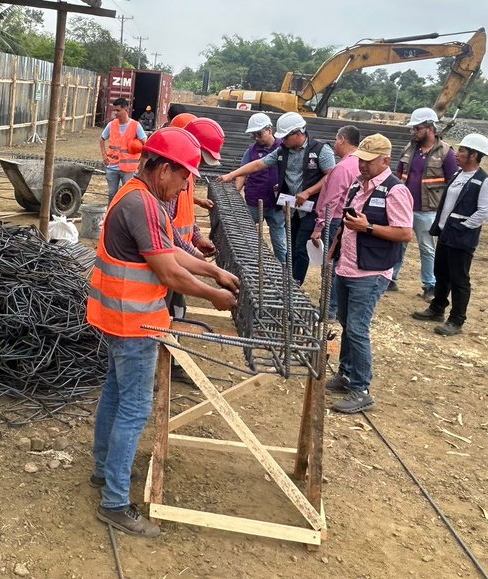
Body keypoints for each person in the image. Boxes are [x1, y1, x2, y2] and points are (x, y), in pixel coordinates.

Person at [87, 127, 240, 538]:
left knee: (115, 396)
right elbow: (169, 270)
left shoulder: (141, 196)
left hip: (117, 319)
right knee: (134, 409)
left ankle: (104, 472)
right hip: (133, 323)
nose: (187, 185)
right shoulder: (142, 203)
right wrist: (214, 296)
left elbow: (171, 248)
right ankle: (115, 503)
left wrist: (214, 269)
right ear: (164, 169)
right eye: (185, 176)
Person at [323, 134, 412, 413]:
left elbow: (404, 233)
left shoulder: (395, 191)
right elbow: (345, 222)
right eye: (361, 160)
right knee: (347, 323)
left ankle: (361, 389)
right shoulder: (357, 186)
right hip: (347, 266)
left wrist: (369, 228)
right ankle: (347, 374)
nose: (362, 165)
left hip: (371, 271)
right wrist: (332, 251)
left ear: (385, 160)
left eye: (368, 162)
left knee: (358, 328)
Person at [217, 112, 335, 284]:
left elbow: (332, 176)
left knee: (301, 247)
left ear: (298, 133)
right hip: (293, 207)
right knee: (293, 244)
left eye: (286, 137)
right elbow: (259, 164)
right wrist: (231, 175)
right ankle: (288, 278)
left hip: (313, 208)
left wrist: (308, 192)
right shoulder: (283, 150)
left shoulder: (320, 151)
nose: (283, 140)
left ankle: (295, 283)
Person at [412, 134, 488, 336]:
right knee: (442, 273)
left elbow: (485, 212)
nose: (457, 154)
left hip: (461, 238)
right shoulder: (458, 175)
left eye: (462, 152)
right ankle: (437, 308)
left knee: (459, 279)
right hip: (446, 233)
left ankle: (457, 320)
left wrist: (463, 226)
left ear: (474, 155)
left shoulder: (484, 182)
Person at [391, 107, 458, 298]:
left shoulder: (446, 153)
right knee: (398, 244)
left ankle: (430, 286)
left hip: (428, 209)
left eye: (417, 128)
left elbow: (453, 183)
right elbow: (399, 176)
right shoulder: (409, 149)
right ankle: (391, 278)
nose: (414, 132)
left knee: (427, 248)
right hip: (404, 207)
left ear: (430, 128)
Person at [309, 125, 361, 320]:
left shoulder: (342, 167)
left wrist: (319, 225)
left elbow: (331, 201)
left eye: (336, 140)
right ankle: (336, 306)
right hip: (348, 220)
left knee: (330, 264)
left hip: (335, 220)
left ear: (341, 140)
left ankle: (329, 309)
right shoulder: (360, 164)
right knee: (341, 263)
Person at [234, 113, 287, 264]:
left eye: (259, 134)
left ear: (270, 130)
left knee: (279, 241)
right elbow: (242, 174)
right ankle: (246, 263)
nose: (256, 138)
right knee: (246, 234)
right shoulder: (251, 151)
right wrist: (236, 192)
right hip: (254, 202)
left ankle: (283, 270)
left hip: (277, 204)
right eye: (254, 135)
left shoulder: (283, 149)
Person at [99, 98, 147, 202]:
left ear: (126, 109)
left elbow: (145, 144)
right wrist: (104, 156)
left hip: (129, 168)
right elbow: (102, 139)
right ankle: (110, 215)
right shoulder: (111, 125)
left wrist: (141, 162)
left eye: (118, 110)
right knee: (112, 194)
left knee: (128, 194)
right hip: (112, 166)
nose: (115, 113)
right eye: (114, 110)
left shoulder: (136, 126)